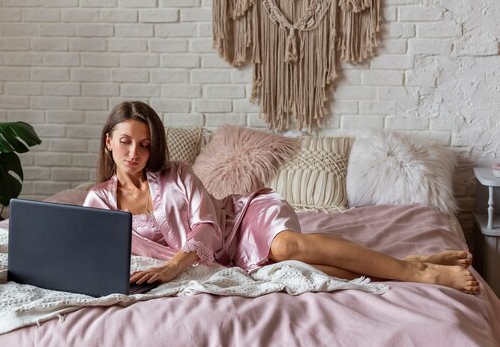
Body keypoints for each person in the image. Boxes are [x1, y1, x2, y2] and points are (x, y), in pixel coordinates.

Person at [83, 101, 480, 294]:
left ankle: (420, 274)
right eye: (125, 142)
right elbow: (87, 250)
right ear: (108, 142)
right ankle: (407, 263)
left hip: (238, 223)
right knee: (311, 271)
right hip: (219, 266)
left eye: (145, 145)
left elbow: (206, 226)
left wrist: (174, 265)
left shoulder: (179, 175)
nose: (134, 153)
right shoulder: (97, 201)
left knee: (288, 247)